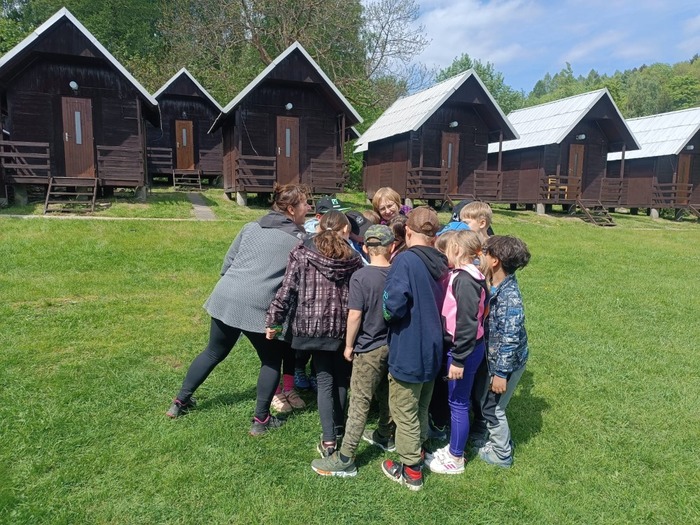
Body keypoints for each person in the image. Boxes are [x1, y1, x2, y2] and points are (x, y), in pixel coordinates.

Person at [165, 183, 310, 438]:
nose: (308, 207)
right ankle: (261, 421)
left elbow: (227, 264)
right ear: (290, 209)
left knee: (213, 352)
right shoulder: (300, 241)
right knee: (271, 360)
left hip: (226, 294)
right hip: (259, 304)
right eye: (305, 203)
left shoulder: (250, 227)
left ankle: (179, 403)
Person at [266, 211, 363, 458]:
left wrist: (274, 320)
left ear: (319, 226)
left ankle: (329, 440)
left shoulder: (302, 251)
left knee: (324, 379)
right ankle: (339, 430)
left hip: (312, 325)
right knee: (341, 379)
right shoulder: (353, 258)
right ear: (345, 230)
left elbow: (287, 289)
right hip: (343, 327)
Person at [311, 224, 396, 477]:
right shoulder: (398, 273)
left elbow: (355, 315)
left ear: (366, 248)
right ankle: (385, 434)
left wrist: (348, 345)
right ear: (392, 247)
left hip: (368, 347)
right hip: (393, 345)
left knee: (359, 401)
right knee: (386, 392)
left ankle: (346, 457)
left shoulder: (360, 276)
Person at [380, 206, 448, 491]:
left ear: (407, 232)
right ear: (435, 236)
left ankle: (410, 469)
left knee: (403, 409)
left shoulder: (405, 260)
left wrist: (384, 312)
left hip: (409, 346)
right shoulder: (442, 261)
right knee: (421, 404)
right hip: (433, 347)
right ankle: (418, 449)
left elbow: (393, 306)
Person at [425, 230, 488, 475]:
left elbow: (467, 322)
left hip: (464, 350)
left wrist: (459, 359)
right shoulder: (471, 274)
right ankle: (454, 448)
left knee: (458, 402)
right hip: (467, 347)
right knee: (457, 400)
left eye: (448, 248)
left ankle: (456, 458)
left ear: (458, 250)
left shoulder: (465, 280)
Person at [471, 235, 531, 468]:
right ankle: (499, 442)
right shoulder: (495, 283)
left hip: (507, 364)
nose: (480, 257)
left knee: (494, 408)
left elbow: (510, 339)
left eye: (484, 253)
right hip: (495, 360)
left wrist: (501, 374)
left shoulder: (510, 298)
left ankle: (502, 454)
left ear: (494, 261)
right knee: (487, 403)